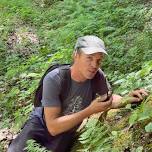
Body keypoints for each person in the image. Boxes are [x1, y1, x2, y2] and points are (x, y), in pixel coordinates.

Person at [8, 35, 148, 152]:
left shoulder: (97, 77)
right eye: (89, 58)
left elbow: (107, 101)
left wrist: (128, 98)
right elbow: (53, 127)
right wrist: (89, 110)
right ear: (76, 55)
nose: (94, 65)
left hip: (66, 132)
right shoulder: (55, 78)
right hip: (41, 125)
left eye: (98, 60)